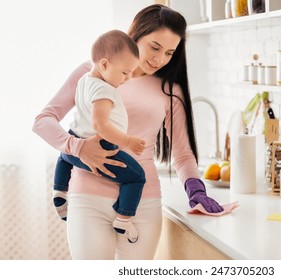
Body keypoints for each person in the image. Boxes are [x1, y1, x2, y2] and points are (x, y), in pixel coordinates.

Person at [33, 4, 223, 260]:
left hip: (143, 203)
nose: (159, 59)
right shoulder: (93, 73)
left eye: (169, 52)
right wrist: (76, 147)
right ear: (136, 33)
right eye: (154, 47)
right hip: (88, 198)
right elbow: (43, 120)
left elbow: (182, 153)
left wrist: (196, 190)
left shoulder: (169, 90)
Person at [52, 29, 146, 244]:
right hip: (101, 149)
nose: (128, 78)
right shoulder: (105, 90)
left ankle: (59, 190)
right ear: (104, 65)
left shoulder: (84, 79)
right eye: (125, 72)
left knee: (63, 154)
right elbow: (100, 124)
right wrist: (128, 141)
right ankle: (123, 218)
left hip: (74, 142)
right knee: (137, 177)